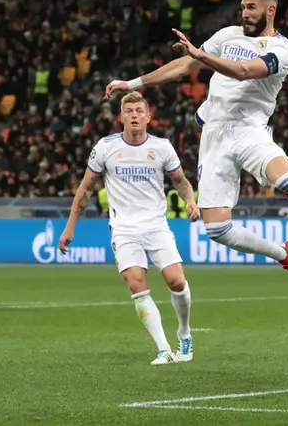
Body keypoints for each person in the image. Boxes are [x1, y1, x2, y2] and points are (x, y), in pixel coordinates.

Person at [105, 0, 288, 291]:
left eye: (252, 7)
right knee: (217, 230)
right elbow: (182, 66)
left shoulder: (281, 50)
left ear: (270, 10)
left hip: (250, 130)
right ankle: (286, 256)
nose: (245, 13)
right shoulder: (226, 35)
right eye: (242, 7)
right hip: (215, 135)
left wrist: (201, 55)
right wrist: (134, 82)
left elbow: (244, 71)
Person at [59, 92, 199, 365]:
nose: (134, 115)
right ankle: (163, 349)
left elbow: (180, 180)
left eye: (139, 111)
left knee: (176, 281)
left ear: (148, 116)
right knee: (136, 282)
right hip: (123, 228)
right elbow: (86, 189)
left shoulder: (161, 147)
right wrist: (69, 227)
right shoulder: (105, 147)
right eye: (129, 111)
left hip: (156, 226)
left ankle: (184, 334)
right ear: (121, 117)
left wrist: (191, 201)